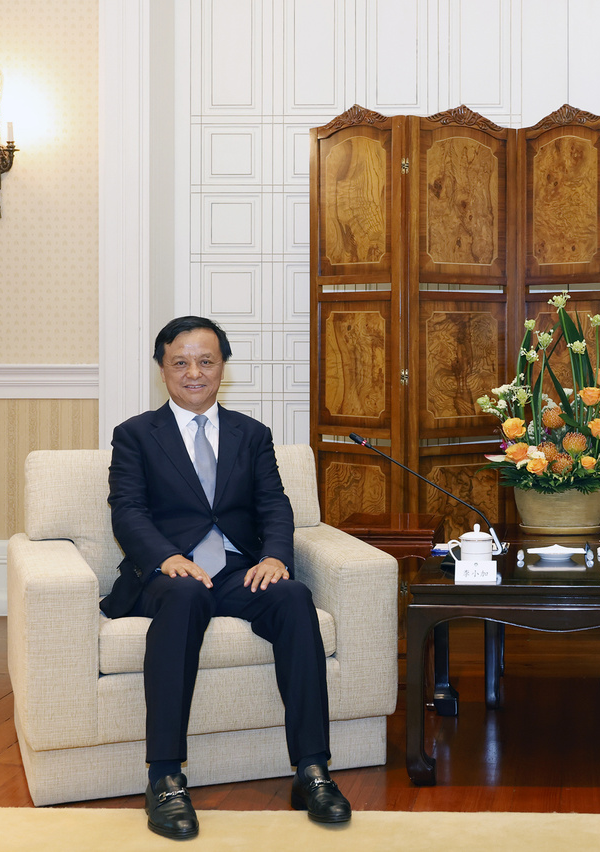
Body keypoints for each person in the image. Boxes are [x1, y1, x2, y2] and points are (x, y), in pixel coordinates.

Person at [101, 316, 350, 839]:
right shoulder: (135, 435)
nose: (193, 372)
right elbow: (127, 510)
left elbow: (274, 505)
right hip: (170, 574)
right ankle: (165, 777)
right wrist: (165, 556)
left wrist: (275, 556)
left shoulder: (251, 435)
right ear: (162, 369)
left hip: (238, 570)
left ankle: (312, 769)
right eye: (180, 362)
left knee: (293, 596)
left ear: (222, 368)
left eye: (205, 361)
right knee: (185, 594)